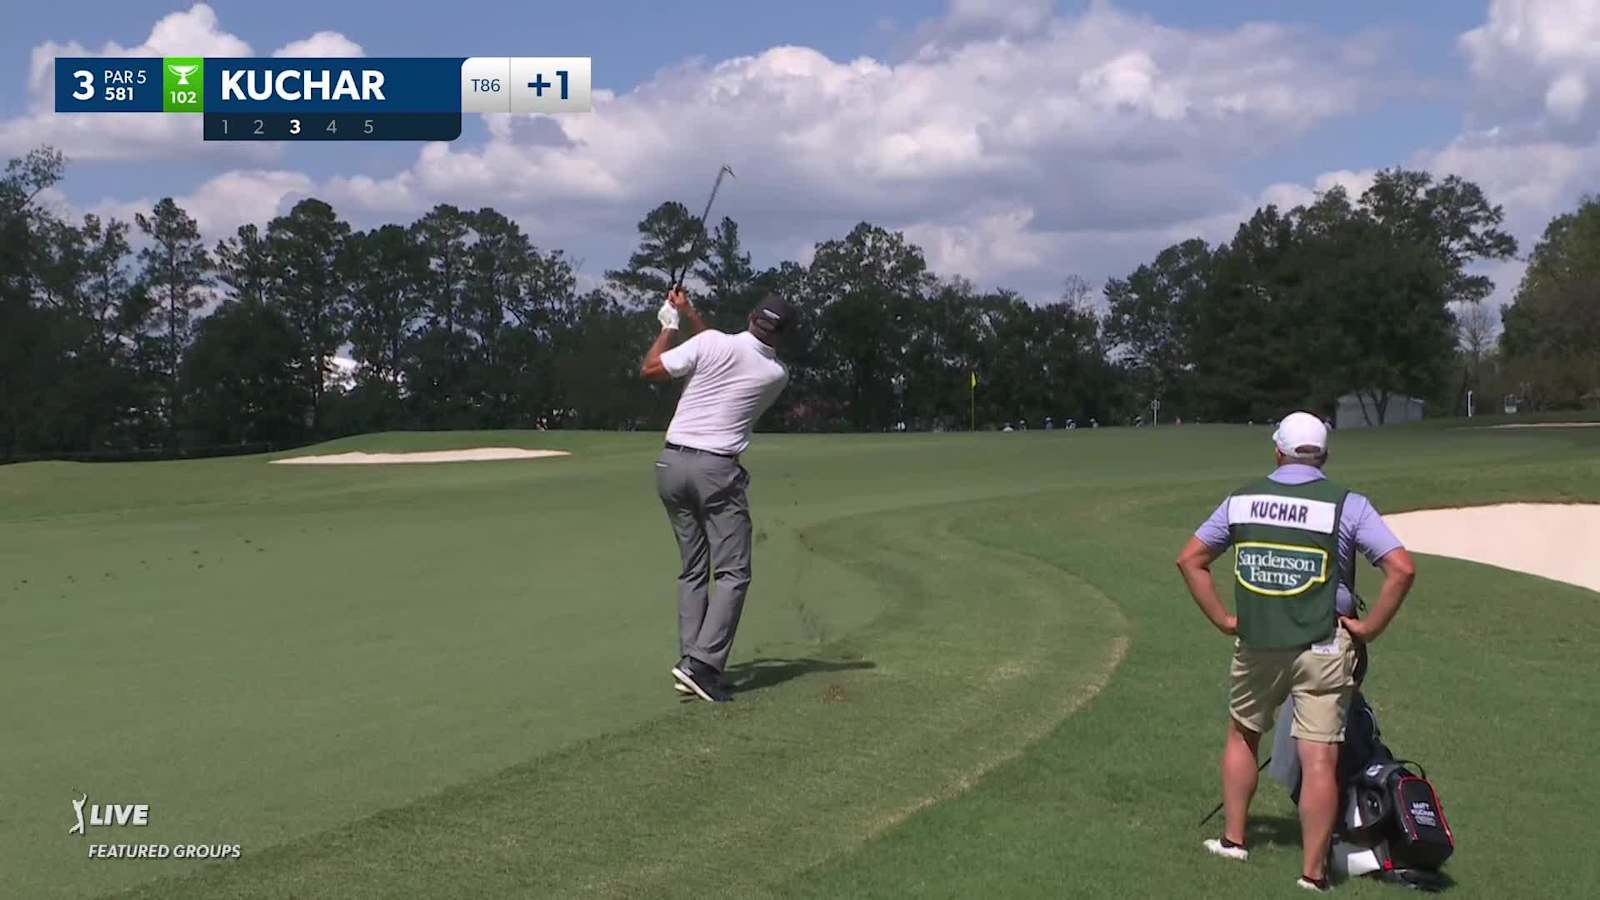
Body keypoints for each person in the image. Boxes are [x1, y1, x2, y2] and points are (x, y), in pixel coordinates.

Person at [1175, 411, 1416, 893]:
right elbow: (1401, 568)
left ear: (1277, 451)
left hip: (1259, 641)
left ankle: (1234, 840)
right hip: (1325, 644)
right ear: (1323, 456)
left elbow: (1191, 559)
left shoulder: (1242, 500)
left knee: (1244, 733)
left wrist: (1224, 619)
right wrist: (1368, 628)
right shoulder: (1348, 504)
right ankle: (1313, 873)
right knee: (1320, 759)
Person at [640, 287, 793, 703]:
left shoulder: (711, 343)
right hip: (716, 472)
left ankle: (692, 659)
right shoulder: (776, 374)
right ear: (780, 336)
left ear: (749, 318)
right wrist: (690, 315)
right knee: (733, 573)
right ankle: (702, 665)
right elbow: (726, 355)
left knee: (693, 569)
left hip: (670, 466)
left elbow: (652, 368)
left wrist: (669, 325)